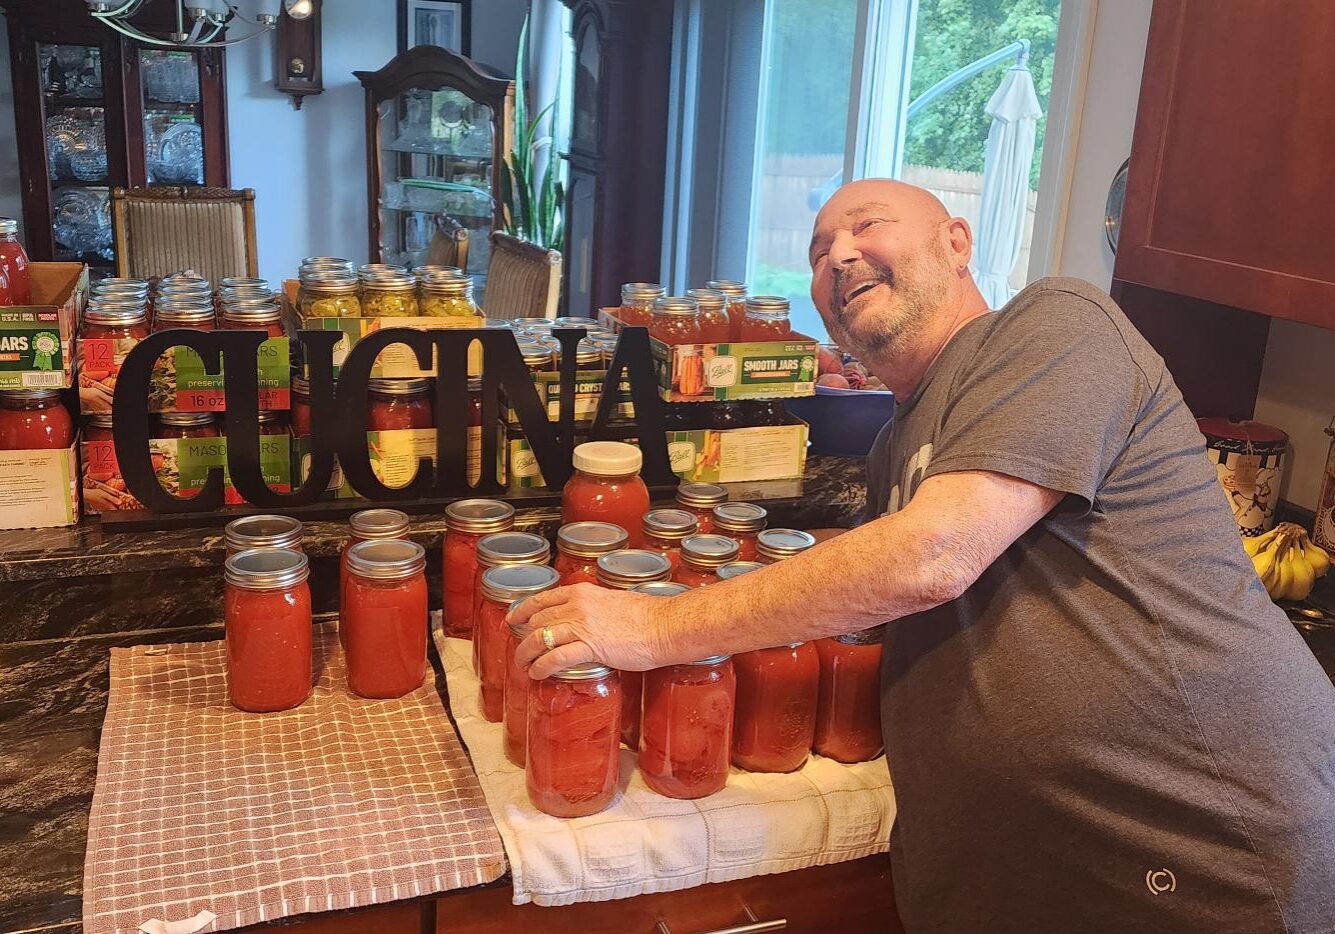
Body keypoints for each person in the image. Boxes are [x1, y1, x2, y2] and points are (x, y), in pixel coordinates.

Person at [509, 179, 1335, 932]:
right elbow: (875, 567)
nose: (837, 253)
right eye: (817, 252)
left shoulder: (1056, 323)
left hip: (1190, 850)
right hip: (1017, 880)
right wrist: (700, 565)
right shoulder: (897, 442)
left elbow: (930, 556)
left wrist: (655, 629)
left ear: (957, 242)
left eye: (866, 225)